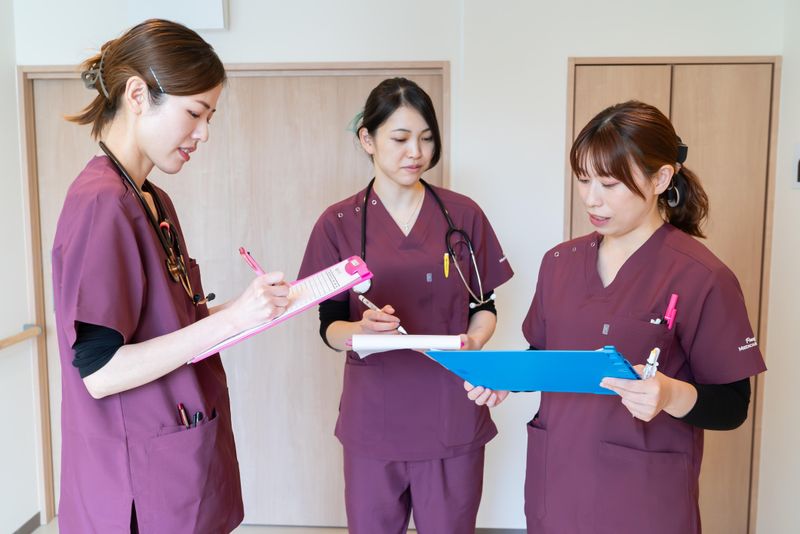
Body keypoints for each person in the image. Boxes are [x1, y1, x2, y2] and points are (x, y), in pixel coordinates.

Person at [466, 100, 766, 533]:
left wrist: (670, 394)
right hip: (558, 484)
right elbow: (548, 356)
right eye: (583, 179)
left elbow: (733, 407)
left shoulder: (703, 277)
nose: (591, 198)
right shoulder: (559, 263)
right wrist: (506, 380)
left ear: (661, 179)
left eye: (609, 183)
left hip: (643, 499)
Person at [53, 19, 290, 533]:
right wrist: (231, 322)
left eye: (209, 117)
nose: (203, 133)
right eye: (195, 113)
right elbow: (101, 371)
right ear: (138, 95)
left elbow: (169, 322)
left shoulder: (151, 199)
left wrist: (246, 309)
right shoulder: (101, 204)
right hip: (133, 485)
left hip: (176, 459)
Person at [298, 77, 514, 533]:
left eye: (426, 138)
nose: (415, 152)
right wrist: (360, 330)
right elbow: (328, 326)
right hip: (374, 421)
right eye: (400, 139)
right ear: (367, 140)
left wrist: (474, 342)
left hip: (451, 411)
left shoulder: (463, 216)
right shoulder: (337, 223)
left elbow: (485, 305)